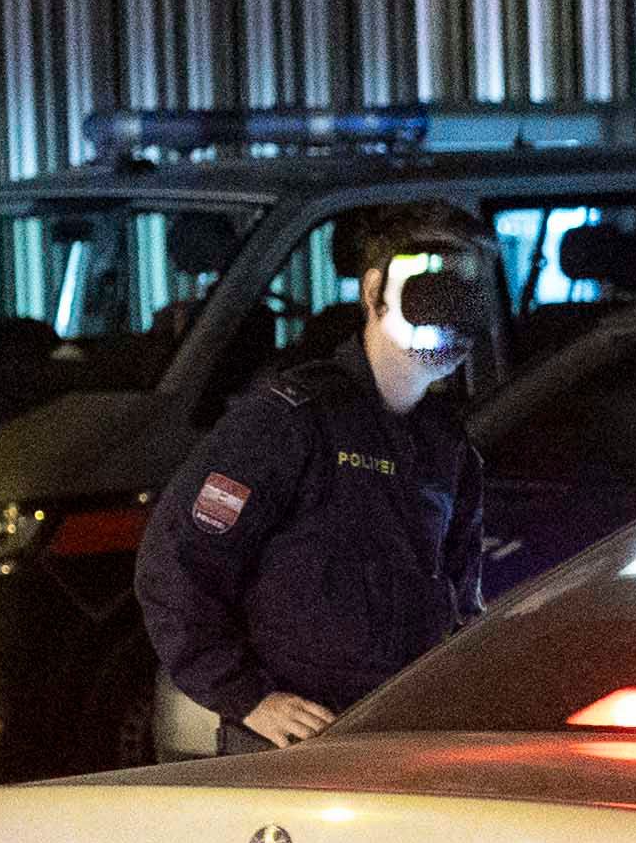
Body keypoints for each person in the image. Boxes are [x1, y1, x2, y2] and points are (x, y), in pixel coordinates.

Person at [136, 203, 491, 754]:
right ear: (374, 292)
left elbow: (461, 600)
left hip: (400, 740)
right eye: (432, 293)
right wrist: (251, 699)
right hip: (291, 750)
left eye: (466, 299)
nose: (452, 320)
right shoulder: (289, 423)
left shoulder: (447, 446)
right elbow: (176, 564)